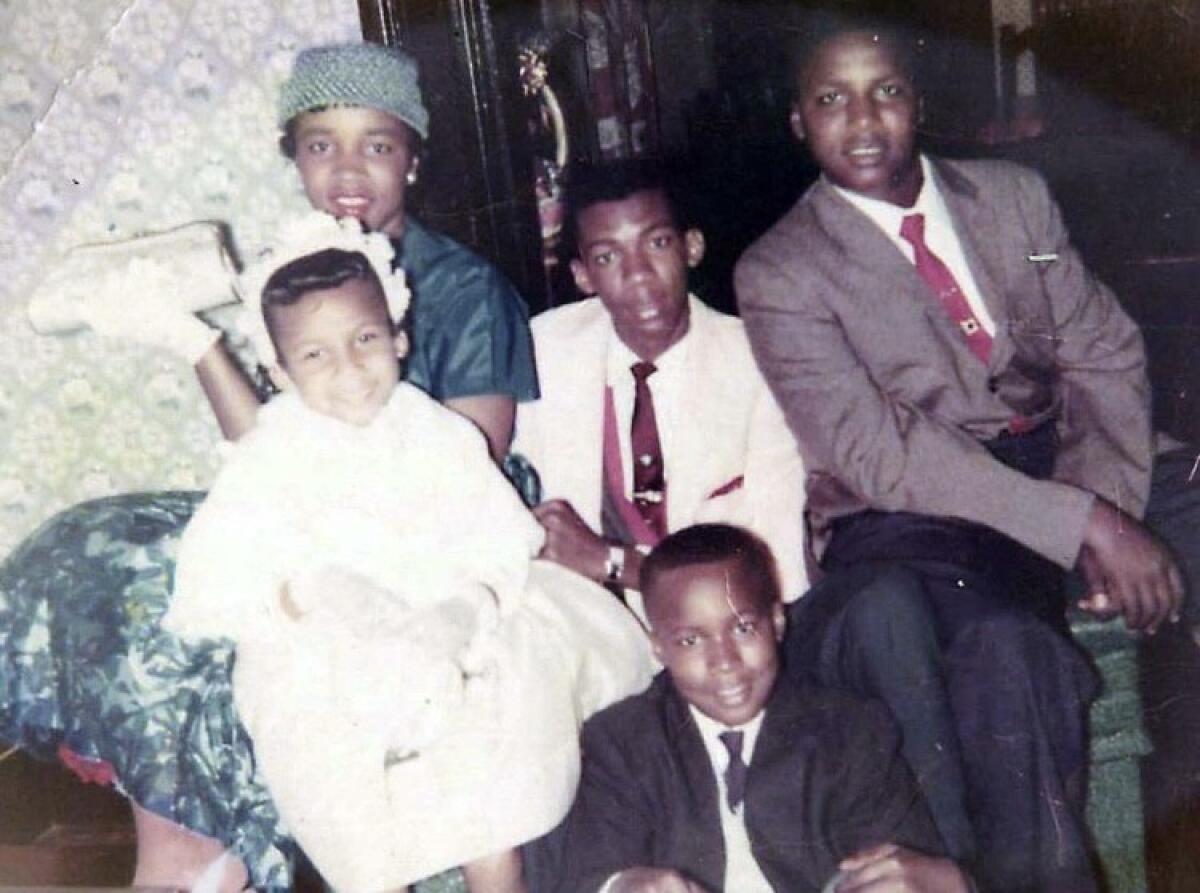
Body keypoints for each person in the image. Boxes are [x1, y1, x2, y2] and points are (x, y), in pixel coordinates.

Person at [734, 13, 1195, 892]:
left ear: (920, 102)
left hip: (1076, 458)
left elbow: (1103, 348)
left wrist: (1111, 500)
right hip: (923, 514)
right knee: (998, 645)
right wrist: (1081, 522)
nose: (862, 121)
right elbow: (881, 453)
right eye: (832, 100)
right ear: (799, 121)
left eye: (886, 92)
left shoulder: (1014, 199)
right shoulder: (780, 272)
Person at [163, 211, 655, 893]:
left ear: (398, 335)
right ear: (277, 370)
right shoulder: (271, 455)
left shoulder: (436, 434)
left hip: (445, 633)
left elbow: (498, 538)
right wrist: (311, 597)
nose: (350, 368)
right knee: (350, 813)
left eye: (366, 339)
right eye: (316, 355)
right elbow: (227, 574)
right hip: (331, 653)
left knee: (492, 803)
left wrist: (465, 606)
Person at [86, 41, 538, 460]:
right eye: (321, 146)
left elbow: (470, 470)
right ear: (297, 160)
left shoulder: (468, 290)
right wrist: (191, 340)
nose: (347, 171)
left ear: (412, 163)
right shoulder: (287, 275)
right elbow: (264, 453)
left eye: (377, 147)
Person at [542, 523, 969, 893]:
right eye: (691, 641)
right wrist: (623, 884)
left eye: (743, 629)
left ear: (777, 624)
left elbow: (900, 865)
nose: (724, 662)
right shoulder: (623, 742)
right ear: (660, 649)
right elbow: (588, 872)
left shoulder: (849, 731)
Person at [513, 158, 807, 615]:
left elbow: (777, 569)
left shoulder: (759, 364)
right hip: (583, 620)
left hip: (720, 625)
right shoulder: (543, 349)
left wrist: (615, 562)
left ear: (691, 247)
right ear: (582, 276)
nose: (638, 274)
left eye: (657, 243)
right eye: (608, 257)